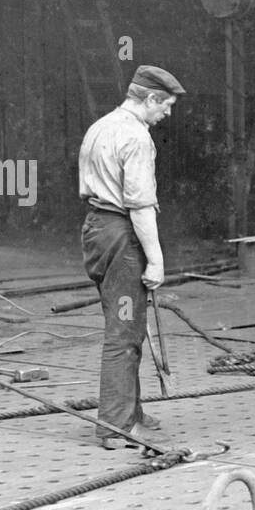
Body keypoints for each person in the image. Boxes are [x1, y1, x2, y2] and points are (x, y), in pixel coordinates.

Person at [79, 64, 185, 450]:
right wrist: (155, 260)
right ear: (151, 98)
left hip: (96, 230)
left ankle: (131, 410)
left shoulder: (100, 126)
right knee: (123, 332)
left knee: (128, 324)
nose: (167, 114)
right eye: (166, 105)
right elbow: (140, 206)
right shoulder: (137, 137)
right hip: (122, 237)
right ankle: (114, 426)